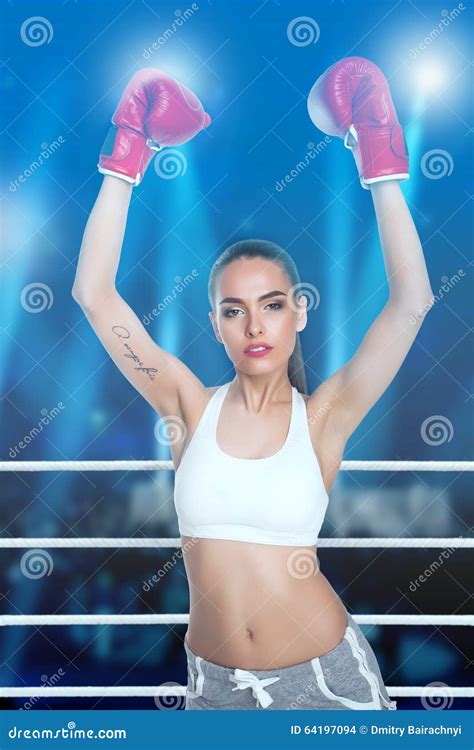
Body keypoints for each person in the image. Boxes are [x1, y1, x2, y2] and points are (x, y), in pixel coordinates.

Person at [72, 59, 433, 710]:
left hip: (327, 685)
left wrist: (376, 153)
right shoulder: (185, 401)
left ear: (299, 311)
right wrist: (130, 150)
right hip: (213, 689)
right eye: (234, 310)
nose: (253, 325)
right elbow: (94, 295)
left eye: (271, 304)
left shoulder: (326, 415)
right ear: (215, 326)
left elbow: (411, 302)